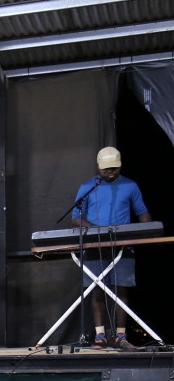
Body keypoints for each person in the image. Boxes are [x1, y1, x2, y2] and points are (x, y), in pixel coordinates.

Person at [71, 146, 151, 351]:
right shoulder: (87, 187)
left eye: (115, 168)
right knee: (97, 288)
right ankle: (100, 336)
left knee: (121, 289)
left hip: (122, 245)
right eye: (107, 168)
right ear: (98, 167)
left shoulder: (130, 186)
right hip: (95, 244)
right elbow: (76, 217)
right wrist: (96, 230)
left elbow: (143, 213)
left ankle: (120, 335)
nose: (111, 172)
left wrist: (146, 230)